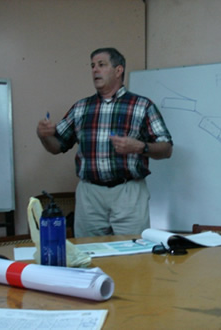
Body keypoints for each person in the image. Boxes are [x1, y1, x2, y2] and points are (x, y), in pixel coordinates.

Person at [36, 47, 173, 237]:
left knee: (133, 256)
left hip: (128, 192)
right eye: (92, 66)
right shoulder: (81, 107)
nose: (95, 70)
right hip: (89, 194)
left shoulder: (142, 106)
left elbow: (166, 149)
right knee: (88, 256)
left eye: (101, 65)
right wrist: (44, 136)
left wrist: (141, 147)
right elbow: (56, 146)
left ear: (118, 71)